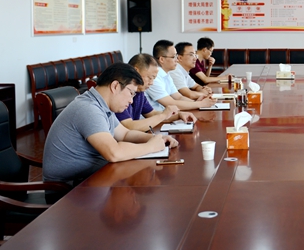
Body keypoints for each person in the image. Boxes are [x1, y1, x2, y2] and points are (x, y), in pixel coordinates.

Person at [43, 62, 179, 185]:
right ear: (115, 86)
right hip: (70, 190)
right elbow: (113, 153)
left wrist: (155, 138)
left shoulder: (101, 105)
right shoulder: (88, 109)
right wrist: (150, 147)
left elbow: (125, 134)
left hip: (92, 178)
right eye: (131, 93)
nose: (131, 100)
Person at [116, 53, 197, 132]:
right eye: (150, 78)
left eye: (153, 79)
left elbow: (152, 114)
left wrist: (178, 115)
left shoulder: (139, 92)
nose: (151, 83)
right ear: (136, 71)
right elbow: (129, 126)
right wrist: (163, 115)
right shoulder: (120, 92)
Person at [145, 40, 216, 111]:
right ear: (162, 59)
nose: (177, 60)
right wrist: (201, 104)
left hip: (167, 114)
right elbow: (170, 103)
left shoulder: (167, 74)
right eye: (173, 57)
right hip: (157, 116)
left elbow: (179, 97)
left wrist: (197, 102)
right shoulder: (154, 78)